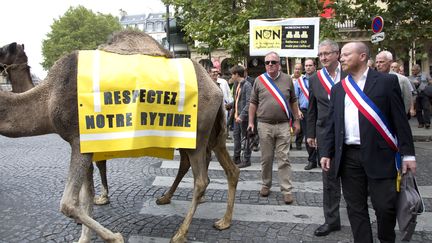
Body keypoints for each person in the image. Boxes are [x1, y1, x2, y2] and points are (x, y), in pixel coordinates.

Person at [320, 41, 416, 243]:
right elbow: (332, 124)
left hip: (381, 155)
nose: (341, 58)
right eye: (342, 55)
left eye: (346, 54)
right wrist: (326, 152)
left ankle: (386, 239)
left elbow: (400, 121)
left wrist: (408, 154)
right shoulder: (339, 89)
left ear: (362, 56)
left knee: (384, 207)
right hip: (348, 156)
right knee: (355, 208)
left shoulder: (386, 82)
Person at [248, 51, 300, 204]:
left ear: (280, 64)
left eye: (274, 62)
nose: (270, 65)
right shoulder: (259, 80)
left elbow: (293, 101)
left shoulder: (287, 80)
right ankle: (266, 184)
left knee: (284, 159)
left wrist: (296, 121)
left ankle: (286, 190)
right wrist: (251, 122)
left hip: (284, 125)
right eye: (267, 62)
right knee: (266, 158)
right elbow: (253, 103)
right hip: (264, 125)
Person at [306, 39, 345, 236]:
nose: (323, 58)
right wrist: (311, 133)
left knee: (353, 179)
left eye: (327, 53)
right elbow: (311, 108)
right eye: (320, 55)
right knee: (329, 181)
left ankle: (358, 215)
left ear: (337, 54)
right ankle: (331, 221)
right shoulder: (315, 79)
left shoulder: (349, 74)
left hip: (349, 134)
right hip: (325, 136)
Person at [292, 61, 318, 170]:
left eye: (310, 65)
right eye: (306, 66)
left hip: (319, 111)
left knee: (321, 136)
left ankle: (321, 157)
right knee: (309, 136)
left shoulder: (320, 79)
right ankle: (312, 160)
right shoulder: (299, 81)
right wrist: (298, 111)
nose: (308, 67)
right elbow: (295, 98)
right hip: (305, 112)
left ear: (315, 67)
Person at [375, 51, 415, 116]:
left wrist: (401, 115)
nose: (378, 65)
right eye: (376, 62)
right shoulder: (372, 79)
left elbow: (407, 99)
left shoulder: (402, 79)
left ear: (390, 62)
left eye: (381, 62)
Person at [228, 65, 252, 168]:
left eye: (232, 74)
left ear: (237, 74)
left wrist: (242, 116)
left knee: (245, 138)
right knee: (236, 137)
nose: (232, 76)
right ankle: (236, 158)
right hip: (236, 116)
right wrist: (229, 106)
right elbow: (237, 100)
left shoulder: (247, 85)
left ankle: (247, 159)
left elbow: (249, 102)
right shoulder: (237, 84)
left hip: (243, 118)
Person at [409, 64, 432, 129]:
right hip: (416, 94)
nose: (412, 71)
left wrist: (427, 85)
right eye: (412, 70)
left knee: (426, 108)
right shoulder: (410, 77)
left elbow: (430, 81)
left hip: (424, 94)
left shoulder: (425, 74)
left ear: (418, 70)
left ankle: (427, 123)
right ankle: (421, 123)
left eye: (413, 70)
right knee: (418, 109)